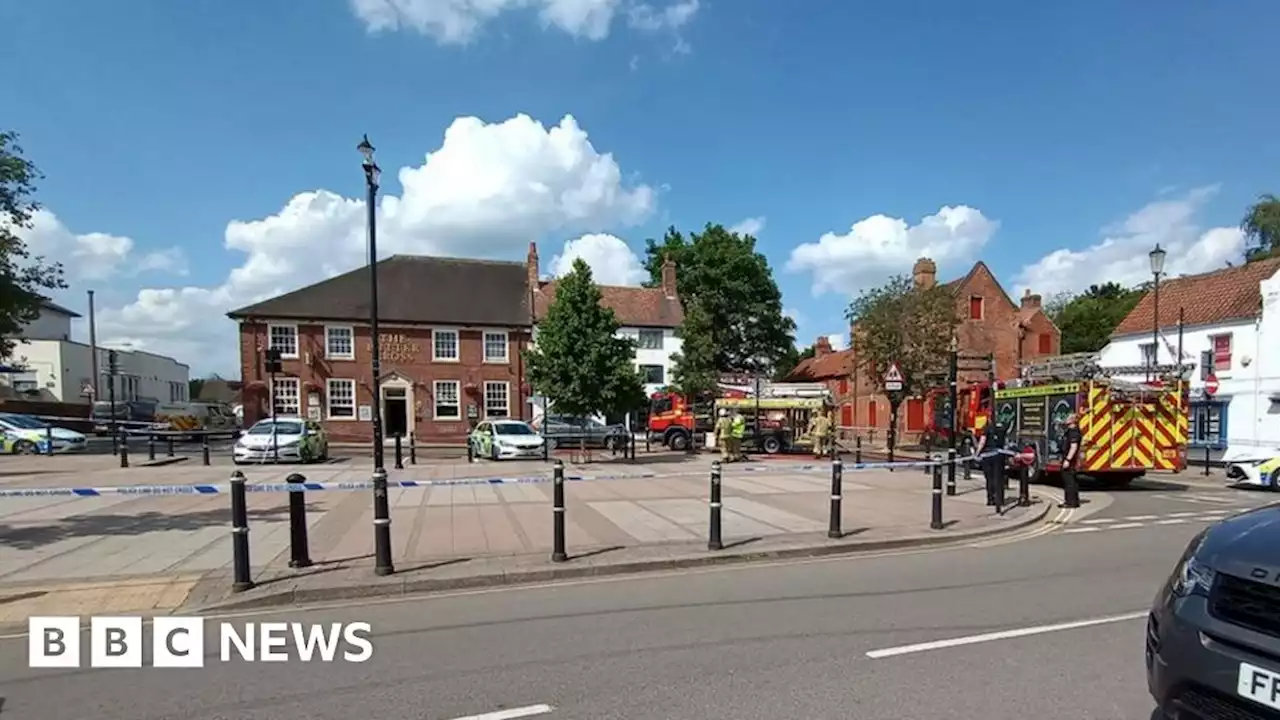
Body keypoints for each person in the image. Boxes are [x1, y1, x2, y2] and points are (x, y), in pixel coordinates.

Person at [974, 411, 1007, 509]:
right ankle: (1000, 500)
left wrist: (977, 453)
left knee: (989, 478)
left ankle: (990, 499)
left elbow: (982, 442)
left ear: (989, 419)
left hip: (988, 456)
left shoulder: (987, 428)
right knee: (999, 477)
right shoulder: (1003, 428)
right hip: (999, 455)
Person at [1060, 413, 1082, 508]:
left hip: (1070, 461)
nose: (1066, 419)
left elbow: (1073, 447)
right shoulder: (1070, 431)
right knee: (1071, 480)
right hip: (1069, 459)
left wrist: (1067, 460)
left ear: (1073, 420)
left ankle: (1070, 502)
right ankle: (1073, 501)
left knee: (1069, 481)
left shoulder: (1073, 432)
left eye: (1068, 418)